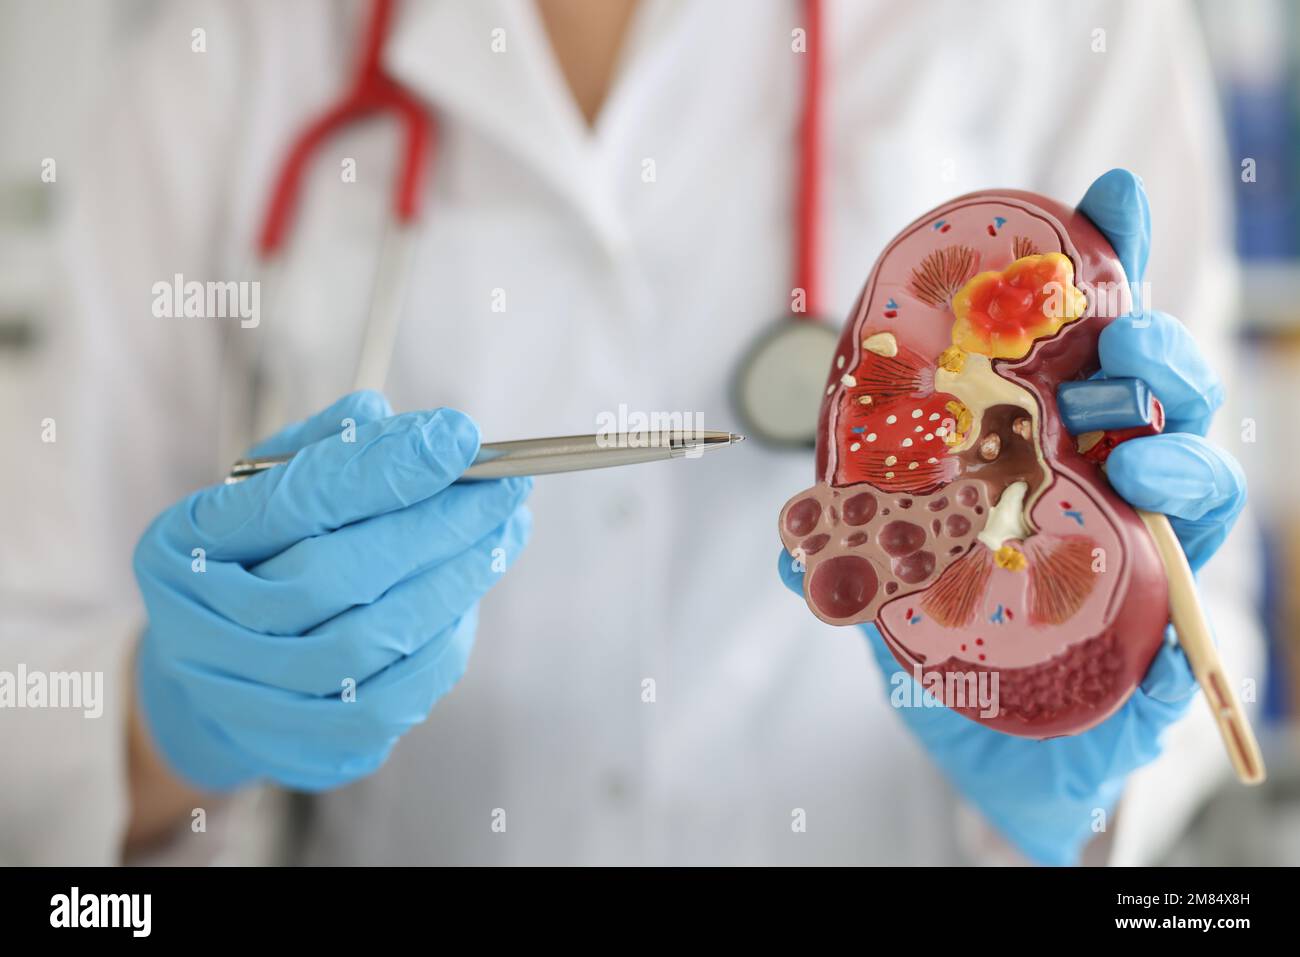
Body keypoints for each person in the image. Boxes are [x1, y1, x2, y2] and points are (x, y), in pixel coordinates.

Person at [2, 0, 1261, 866]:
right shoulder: (231, 55)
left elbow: (1207, 695)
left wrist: (1073, 791)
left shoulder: (1059, 28)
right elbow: (28, 691)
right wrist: (169, 721)